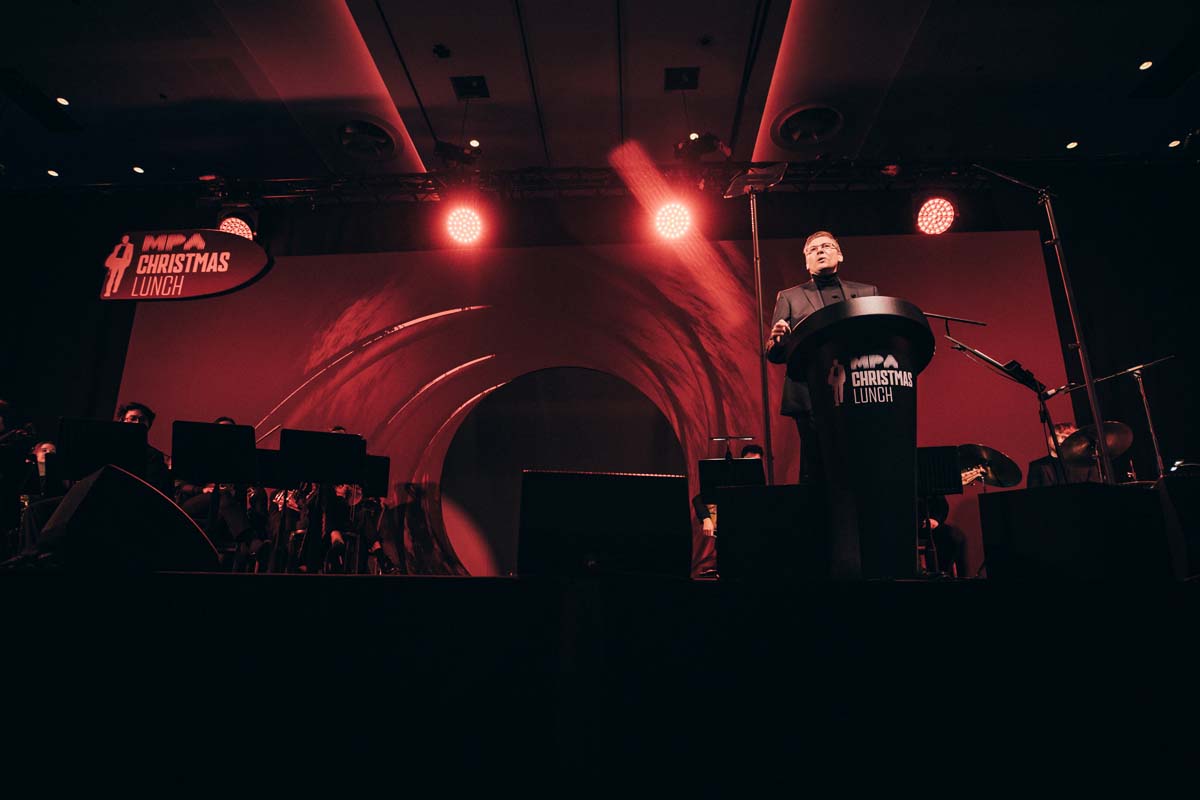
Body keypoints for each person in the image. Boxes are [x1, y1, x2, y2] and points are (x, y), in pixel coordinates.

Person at [765, 231, 878, 481]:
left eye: (826, 246)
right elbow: (774, 354)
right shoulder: (789, 297)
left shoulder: (867, 292)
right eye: (813, 249)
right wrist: (779, 340)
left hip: (858, 390)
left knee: (858, 463)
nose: (820, 251)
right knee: (816, 466)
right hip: (809, 393)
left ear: (840, 255)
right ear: (806, 262)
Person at [1027, 422, 1101, 488]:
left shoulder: (1086, 465)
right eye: (1055, 436)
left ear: (1073, 440)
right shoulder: (1037, 466)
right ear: (1049, 439)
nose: (1059, 440)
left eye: (1064, 437)